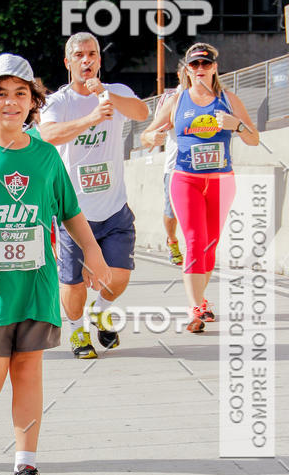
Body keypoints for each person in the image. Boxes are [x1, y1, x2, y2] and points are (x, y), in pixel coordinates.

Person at [0, 54, 111, 475]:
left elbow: (71, 212)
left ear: (34, 101)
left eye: (21, 94)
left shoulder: (46, 156)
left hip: (37, 285)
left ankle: (26, 465)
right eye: (1, 94)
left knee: (30, 371)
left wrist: (93, 252)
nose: (11, 103)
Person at [39, 32, 149, 358]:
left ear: (99, 60)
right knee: (72, 283)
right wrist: (90, 118)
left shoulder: (114, 93)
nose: (86, 60)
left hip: (114, 206)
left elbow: (142, 113)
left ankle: (100, 311)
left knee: (120, 275)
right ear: (68, 62)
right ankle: (77, 333)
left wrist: (107, 98)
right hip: (75, 212)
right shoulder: (57, 102)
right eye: (79, 55)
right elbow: (47, 135)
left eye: (91, 54)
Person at [141, 42, 259, 332]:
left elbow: (254, 138)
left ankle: (201, 301)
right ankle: (195, 308)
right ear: (187, 70)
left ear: (215, 68)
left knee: (209, 244)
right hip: (186, 179)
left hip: (221, 181)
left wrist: (237, 126)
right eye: (195, 65)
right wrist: (151, 138)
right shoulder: (176, 101)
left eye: (206, 64)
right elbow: (146, 134)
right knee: (194, 241)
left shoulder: (229, 100)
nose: (200, 69)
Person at [141, 63, 185, 266]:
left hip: (200, 168)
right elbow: (149, 132)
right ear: (179, 73)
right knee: (171, 212)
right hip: (174, 166)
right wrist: (153, 136)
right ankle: (172, 240)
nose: (194, 72)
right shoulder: (171, 99)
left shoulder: (207, 97)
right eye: (189, 68)